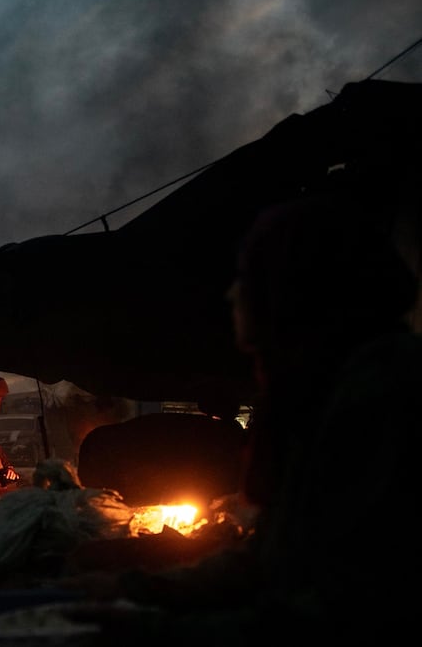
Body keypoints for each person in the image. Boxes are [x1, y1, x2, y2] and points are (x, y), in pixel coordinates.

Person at [62, 196, 422, 645]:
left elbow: (337, 612)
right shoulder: (320, 388)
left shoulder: (376, 396)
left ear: (297, 293)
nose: (233, 294)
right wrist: (134, 588)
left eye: (249, 279)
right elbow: (271, 559)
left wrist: (149, 629)